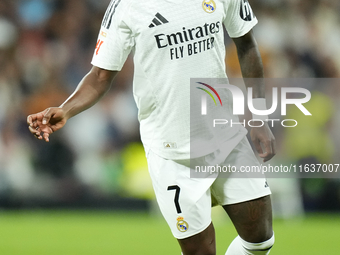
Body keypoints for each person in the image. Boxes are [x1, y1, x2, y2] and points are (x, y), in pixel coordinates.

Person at [27, 0, 276, 254]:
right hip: (173, 153)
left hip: (227, 137)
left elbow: (246, 44)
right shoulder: (126, 6)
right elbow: (100, 75)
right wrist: (66, 109)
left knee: (261, 239)